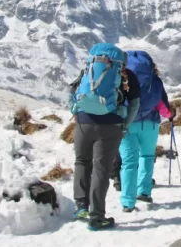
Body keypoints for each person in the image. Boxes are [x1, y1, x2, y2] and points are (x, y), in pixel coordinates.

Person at [69, 44, 132, 231]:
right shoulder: (123, 75)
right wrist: (124, 125)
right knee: (101, 169)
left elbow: (73, 91)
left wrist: (75, 111)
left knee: (81, 162)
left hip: (83, 122)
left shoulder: (87, 72)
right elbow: (132, 100)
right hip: (110, 125)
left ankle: (81, 207)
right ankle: (97, 217)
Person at [117, 50, 174, 213]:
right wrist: (171, 115)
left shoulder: (120, 79)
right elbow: (163, 107)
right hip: (150, 124)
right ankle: (144, 192)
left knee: (128, 162)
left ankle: (127, 201)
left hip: (126, 124)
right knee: (147, 157)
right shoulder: (154, 81)